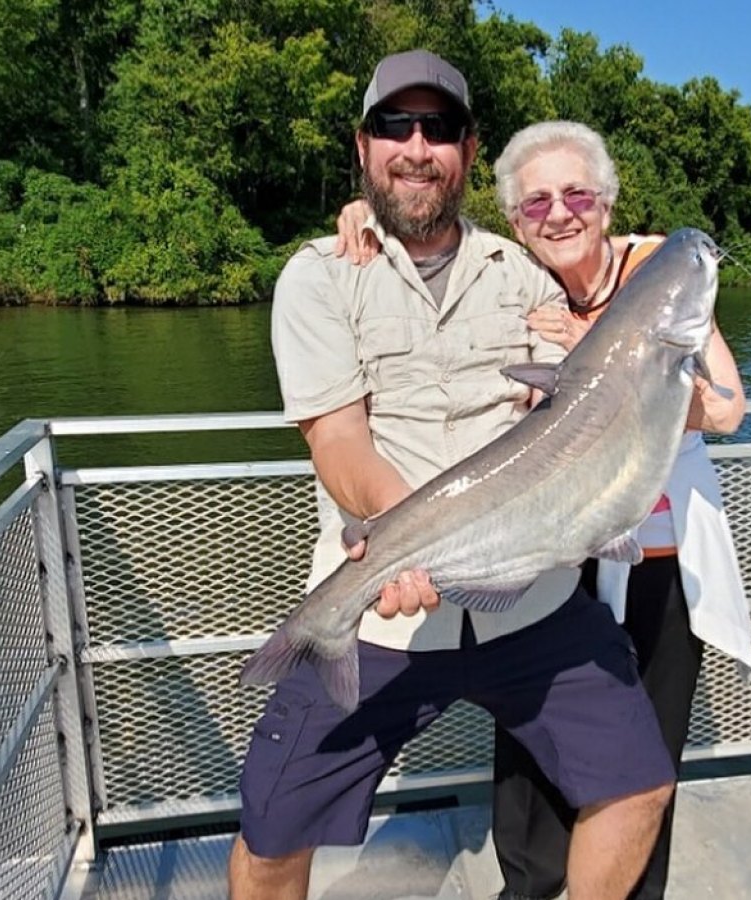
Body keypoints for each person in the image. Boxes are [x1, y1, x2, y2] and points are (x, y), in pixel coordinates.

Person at [228, 51, 675, 900]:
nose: (417, 145)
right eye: (397, 126)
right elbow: (339, 444)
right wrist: (405, 545)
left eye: (439, 129)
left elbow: (600, 382)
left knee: (638, 785)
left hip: (532, 603)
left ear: (469, 152)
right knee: (273, 830)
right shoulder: (319, 279)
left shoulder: (523, 273)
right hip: (377, 613)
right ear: (363, 147)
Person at [336, 119, 751, 900]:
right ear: (515, 219)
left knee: (639, 766)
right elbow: (417, 229)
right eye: (534, 204)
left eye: (575, 194)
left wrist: (613, 374)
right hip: (542, 554)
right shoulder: (514, 282)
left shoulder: (658, 269)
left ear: (606, 199)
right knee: (530, 767)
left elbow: (728, 410)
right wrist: (362, 217)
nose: (558, 214)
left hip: (653, 559)